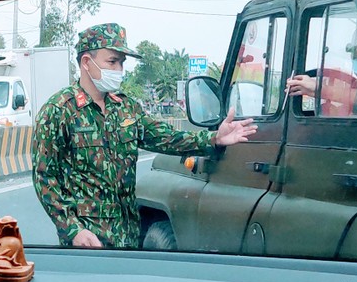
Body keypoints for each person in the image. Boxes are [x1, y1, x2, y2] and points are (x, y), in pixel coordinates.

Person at [31, 23, 258, 248]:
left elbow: (166, 137)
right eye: (112, 61)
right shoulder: (59, 110)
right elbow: (45, 177)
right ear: (86, 63)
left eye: (122, 62)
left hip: (128, 237)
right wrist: (72, 229)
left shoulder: (126, 108)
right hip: (87, 242)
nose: (119, 69)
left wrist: (214, 138)